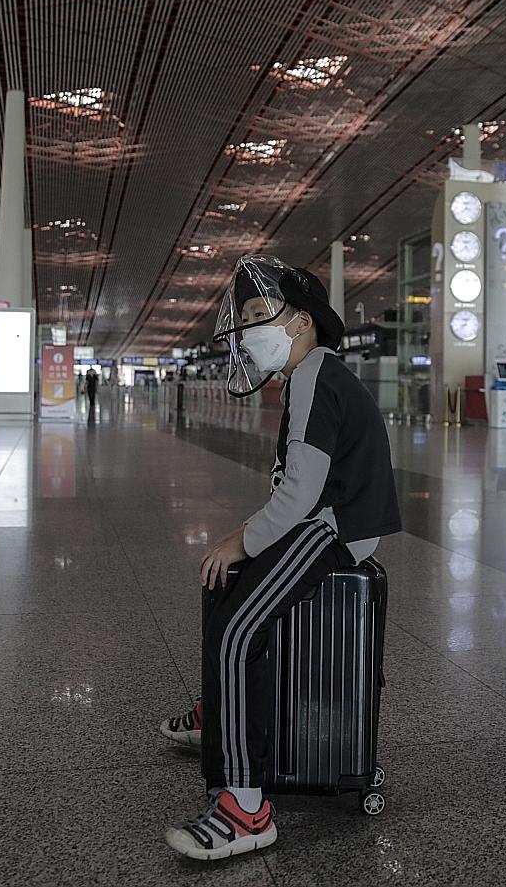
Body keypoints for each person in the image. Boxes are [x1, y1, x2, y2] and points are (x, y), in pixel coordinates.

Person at [160, 255, 401, 862]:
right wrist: (243, 545)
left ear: (299, 323)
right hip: (322, 520)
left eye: (252, 317)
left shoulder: (318, 374)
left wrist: (239, 539)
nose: (244, 331)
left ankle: (247, 809)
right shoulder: (311, 375)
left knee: (239, 628)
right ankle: (221, 711)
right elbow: (295, 487)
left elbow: (298, 493)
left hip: (337, 530)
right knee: (230, 585)